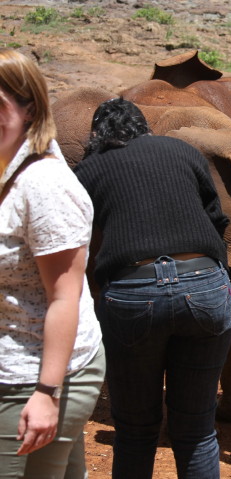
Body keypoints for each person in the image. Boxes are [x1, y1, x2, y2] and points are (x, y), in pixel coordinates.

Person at [73, 98, 231, 479]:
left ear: (97, 136)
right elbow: (217, 219)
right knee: (197, 430)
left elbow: (71, 235)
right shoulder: (182, 151)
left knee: (135, 431)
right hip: (207, 289)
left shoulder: (90, 169)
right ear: (145, 127)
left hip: (133, 297)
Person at [0, 48, 105, 478]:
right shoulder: (7, 168)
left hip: (33, 376)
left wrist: (47, 391)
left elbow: (65, 295)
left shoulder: (44, 185)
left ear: (29, 109)